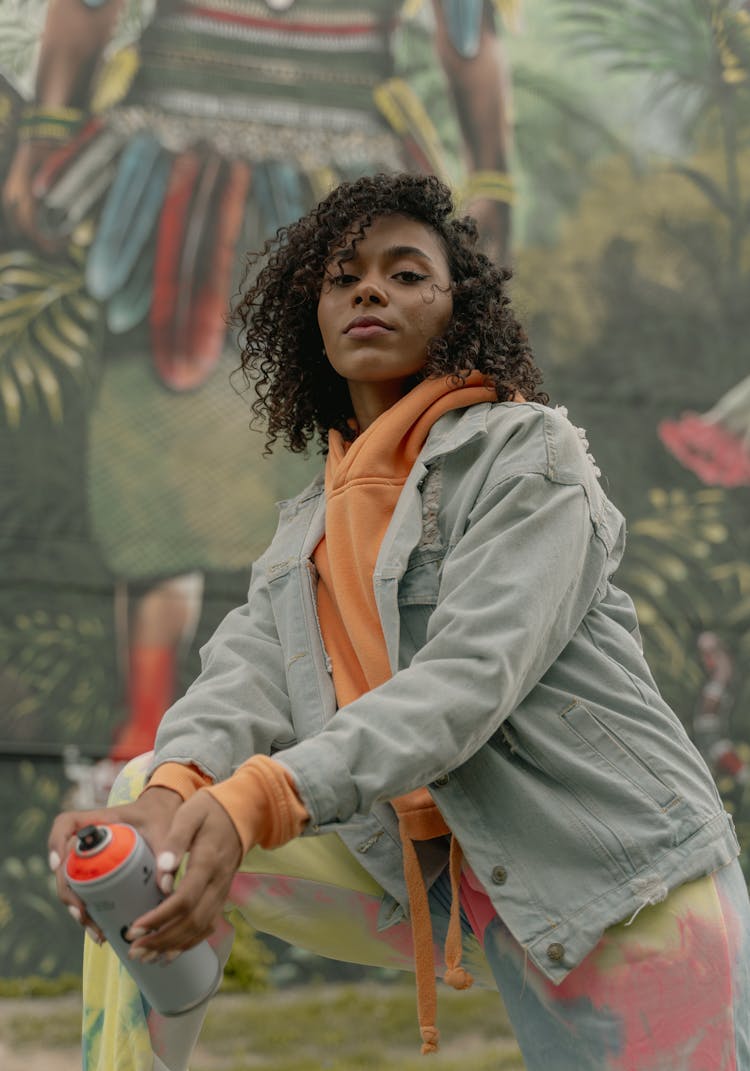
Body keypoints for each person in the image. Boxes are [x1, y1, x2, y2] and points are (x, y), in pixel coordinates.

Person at [49, 172, 749, 1071]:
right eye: (344, 277)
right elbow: (238, 682)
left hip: (621, 889)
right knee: (142, 810)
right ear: (315, 315)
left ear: (459, 306)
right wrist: (179, 794)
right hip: (441, 881)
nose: (369, 290)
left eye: (404, 271)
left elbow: (466, 681)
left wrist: (263, 794)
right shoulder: (308, 528)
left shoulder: (530, 457)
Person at [2, 0, 515, 773]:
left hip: (347, 186)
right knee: (154, 447)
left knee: (335, 464)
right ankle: (143, 732)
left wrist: (493, 179)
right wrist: (44, 137)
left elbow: (468, 33)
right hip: (170, 182)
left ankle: (323, 741)